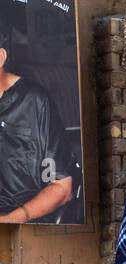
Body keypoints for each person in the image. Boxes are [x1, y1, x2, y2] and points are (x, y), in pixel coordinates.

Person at [0, 18, 75, 224]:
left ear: (1, 57)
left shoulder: (34, 102)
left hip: (23, 233)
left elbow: (62, 187)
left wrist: (9, 221)